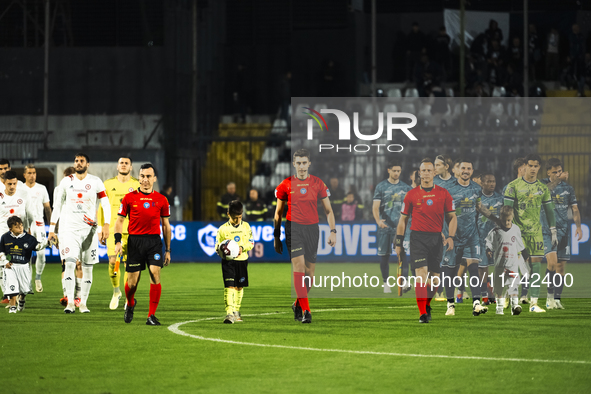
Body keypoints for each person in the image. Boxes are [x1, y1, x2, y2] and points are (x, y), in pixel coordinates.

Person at [273, 149, 337, 324]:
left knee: (310, 277)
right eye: (298, 163)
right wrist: (276, 236)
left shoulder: (318, 183)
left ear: (309, 163)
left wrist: (333, 231)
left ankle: (297, 304)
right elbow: (278, 213)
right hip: (293, 228)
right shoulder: (285, 185)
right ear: (294, 164)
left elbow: (329, 210)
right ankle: (307, 311)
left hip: (312, 230)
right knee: (299, 268)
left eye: (304, 163)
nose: (301, 166)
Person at [48, 153, 111, 314]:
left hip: (89, 230)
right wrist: (52, 230)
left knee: (88, 267)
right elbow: (57, 207)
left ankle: (83, 303)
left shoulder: (95, 182)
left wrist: (106, 225)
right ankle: (70, 303)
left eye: (81, 161)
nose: (78, 163)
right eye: (76, 161)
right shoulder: (66, 182)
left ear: (87, 164)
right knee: (69, 263)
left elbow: (105, 203)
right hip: (69, 230)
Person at [396, 158, 457, 323]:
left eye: (430, 170)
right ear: (419, 173)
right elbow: (403, 220)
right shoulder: (411, 195)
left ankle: (427, 305)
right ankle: (422, 313)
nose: (426, 173)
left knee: (435, 280)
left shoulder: (443, 194)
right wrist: (398, 241)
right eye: (423, 170)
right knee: (421, 275)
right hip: (418, 238)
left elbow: (452, 218)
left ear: (434, 173)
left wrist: (450, 236)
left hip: (437, 239)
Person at [115, 163, 171, 326]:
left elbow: (166, 226)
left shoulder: (162, 199)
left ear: (154, 178)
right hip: (134, 242)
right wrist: (118, 241)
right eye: (142, 176)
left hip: (154, 241)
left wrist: (167, 250)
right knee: (132, 283)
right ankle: (130, 303)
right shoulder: (129, 198)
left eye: (148, 176)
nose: (145, 180)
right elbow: (119, 221)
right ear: (138, 177)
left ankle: (151, 316)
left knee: (155, 273)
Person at [504, 153, 557, 313]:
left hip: (536, 233)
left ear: (539, 167)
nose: (533, 169)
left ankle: (533, 303)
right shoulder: (513, 186)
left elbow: (549, 211)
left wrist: (553, 229)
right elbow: (507, 210)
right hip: (517, 233)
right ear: (525, 166)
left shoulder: (542, 188)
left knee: (535, 266)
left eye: (536, 166)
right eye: (530, 165)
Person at [441, 159, 488, 317]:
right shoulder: (448, 189)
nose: (466, 171)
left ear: (472, 171)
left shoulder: (477, 188)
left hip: (471, 235)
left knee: (473, 268)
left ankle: (476, 303)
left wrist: (496, 221)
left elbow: (479, 208)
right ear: (458, 170)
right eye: (463, 168)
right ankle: (450, 304)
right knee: (451, 271)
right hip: (452, 236)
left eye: (469, 168)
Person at [97, 157, 140, 310]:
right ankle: (116, 292)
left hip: (132, 230)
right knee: (112, 260)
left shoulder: (136, 184)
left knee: (129, 266)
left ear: (131, 167)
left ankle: (129, 298)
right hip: (114, 229)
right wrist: (101, 228)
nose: (123, 165)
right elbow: (101, 207)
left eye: (126, 163)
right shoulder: (107, 184)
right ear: (117, 166)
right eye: (121, 163)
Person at [541, 158, 582, 309]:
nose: (557, 174)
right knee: (551, 262)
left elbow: (575, 209)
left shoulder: (568, 188)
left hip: (564, 231)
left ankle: (557, 299)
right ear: (548, 173)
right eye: (554, 172)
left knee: (561, 267)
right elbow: (542, 193)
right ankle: (549, 297)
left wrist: (578, 227)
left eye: (559, 171)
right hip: (547, 230)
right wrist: (558, 180)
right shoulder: (542, 184)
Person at [372, 160, 412, 293]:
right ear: (388, 170)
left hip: (401, 229)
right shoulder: (381, 187)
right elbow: (375, 206)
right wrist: (378, 221)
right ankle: (385, 283)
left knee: (403, 254)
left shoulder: (406, 188)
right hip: (386, 228)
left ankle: (405, 281)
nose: (396, 173)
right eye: (394, 171)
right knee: (385, 256)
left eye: (398, 171)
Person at [484, 206, 529, 316]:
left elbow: (519, 243)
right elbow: (488, 242)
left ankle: (515, 306)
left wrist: (524, 252)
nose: (506, 222)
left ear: (512, 217)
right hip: (499, 265)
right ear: (500, 218)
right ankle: (499, 309)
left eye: (508, 220)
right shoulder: (496, 231)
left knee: (513, 286)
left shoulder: (516, 229)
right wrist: (488, 249)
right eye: (504, 220)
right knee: (499, 288)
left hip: (512, 264)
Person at [215, 200, 254, 323]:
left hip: (242, 260)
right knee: (229, 286)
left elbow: (251, 243)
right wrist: (219, 249)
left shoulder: (246, 227)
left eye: (240, 217)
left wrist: (242, 248)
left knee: (239, 287)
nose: (237, 220)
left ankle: (236, 311)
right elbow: (217, 245)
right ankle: (229, 313)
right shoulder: (222, 229)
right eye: (234, 217)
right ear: (228, 214)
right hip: (228, 262)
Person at [0, 216, 48, 313]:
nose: (21, 228)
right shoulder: (5, 237)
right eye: (17, 227)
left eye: (21, 225)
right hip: (11, 266)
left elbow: (38, 246)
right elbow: (1, 252)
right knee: (12, 285)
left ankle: (21, 299)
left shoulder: (29, 238)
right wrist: (5, 262)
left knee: (24, 289)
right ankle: (13, 306)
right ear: (11, 229)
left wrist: (48, 242)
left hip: (24, 266)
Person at [0, 171, 33, 304]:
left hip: (20, 237)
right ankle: (9, 297)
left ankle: (20, 293)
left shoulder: (24, 196)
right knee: (5, 266)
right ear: (4, 183)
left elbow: (30, 215)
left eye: (14, 183)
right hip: (3, 237)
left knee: (20, 265)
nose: (12, 186)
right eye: (9, 184)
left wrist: (28, 229)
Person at [55, 166, 83, 307]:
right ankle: (66, 295)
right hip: (64, 231)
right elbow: (57, 210)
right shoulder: (58, 190)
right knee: (65, 264)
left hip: (79, 230)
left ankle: (78, 296)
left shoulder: (83, 189)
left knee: (79, 264)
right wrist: (55, 232)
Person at [22, 164, 51, 293]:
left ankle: (38, 277)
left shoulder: (42, 188)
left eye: (34, 173)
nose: (32, 175)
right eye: (29, 173)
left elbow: (47, 208)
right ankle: (27, 283)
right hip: (24, 225)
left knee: (41, 255)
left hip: (39, 224)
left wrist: (52, 226)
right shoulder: (19, 188)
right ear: (24, 175)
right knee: (26, 256)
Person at [477, 172, 504, 305]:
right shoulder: (477, 199)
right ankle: (486, 295)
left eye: (493, 181)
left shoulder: (500, 199)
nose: (491, 184)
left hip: (497, 239)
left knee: (498, 268)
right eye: (488, 181)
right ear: (482, 183)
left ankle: (495, 292)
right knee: (482, 268)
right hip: (480, 238)